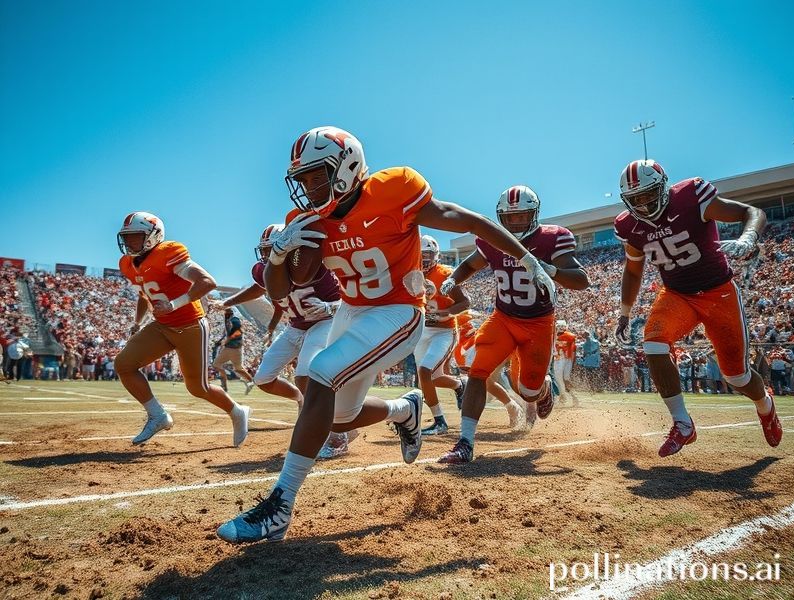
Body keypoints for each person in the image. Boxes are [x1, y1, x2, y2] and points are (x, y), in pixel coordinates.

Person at [217, 126, 546, 543]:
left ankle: (281, 503)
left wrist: (526, 257)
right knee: (337, 416)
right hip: (353, 311)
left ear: (347, 166)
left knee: (319, 372)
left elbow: (466, 219)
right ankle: (403, 411)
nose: (308, 187)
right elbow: (282, 291)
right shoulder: (307, 220)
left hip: (398, 311)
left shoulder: (394, 190)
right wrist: (278, 257)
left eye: (316, 175)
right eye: (302, 179)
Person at [614, 159, 781, 457]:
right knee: (652, 342)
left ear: (663, 186)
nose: (643, 202)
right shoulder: (629, 225)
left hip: (718, 292)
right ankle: (682, 424)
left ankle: (765, 406)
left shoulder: (691, 196)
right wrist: (625, 312)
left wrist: (747, 237)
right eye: (635, 199)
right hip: (678, 294)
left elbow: (751, 212)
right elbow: (633, 269)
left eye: (648, 194)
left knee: (737, 377)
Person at [437, 185, 590, 464]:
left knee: (527, 389)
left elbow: (581, 279)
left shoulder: (552, 239)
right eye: (510, 218)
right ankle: (465, 442)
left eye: (522, 216)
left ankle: (541, 389)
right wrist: (453, 279)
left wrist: (549, 269)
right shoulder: (493, 240)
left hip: (539, 322)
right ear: (501, 218)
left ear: (534, 215)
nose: (516, 222)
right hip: (503, 317)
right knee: (478, 371)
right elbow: (470, 266)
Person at [214, 225, 354, 459]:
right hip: (296, 327)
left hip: (323, 322)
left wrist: (330, 306)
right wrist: (228, 302)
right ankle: (302, 400)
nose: (269, 257)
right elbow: (257, 289)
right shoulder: (264, 271)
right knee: (263, 378)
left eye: (274, 250)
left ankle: (338, 434)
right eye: (266, 251)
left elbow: (350, 300)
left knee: (306, 376)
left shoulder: (317, 269)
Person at [115, 212, 251, 447]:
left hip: (190, 324)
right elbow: (143, 293)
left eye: (135, 237)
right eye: (127, 237)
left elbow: (207, 282)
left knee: (198, 388)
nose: (129, 243)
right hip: (163, 325)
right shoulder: (127, 264)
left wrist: (174, 304)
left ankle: (237, 411)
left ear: (152, 236)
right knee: (124, 365)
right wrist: (137, 322)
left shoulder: (168, 253)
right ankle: (158, 415)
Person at [416, 235, 469, 435]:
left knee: (424, 371)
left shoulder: (446, 274)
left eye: (427, 254)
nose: (424, 259)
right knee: (432, 379)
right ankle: (458, 384)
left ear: (436, 255)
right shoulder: (410, 274)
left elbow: (465, 303)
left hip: (444, 331)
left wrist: (445, 313)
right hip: (423, 331)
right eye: (420, 255)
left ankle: (440, 422)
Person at [211, 308, 256, 394]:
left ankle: (250, 381)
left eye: (226, 312)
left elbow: (239, 331)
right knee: (217, 365)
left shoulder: (234, 319)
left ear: (229, 312)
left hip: (234, 348)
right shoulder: (228, 320)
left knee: (237, 369)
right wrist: (221, 341)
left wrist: (227, 340)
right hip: (229, 348)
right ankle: (224, 386)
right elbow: (228, 333)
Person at [553, 319, 579, 406]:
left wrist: (573, 361)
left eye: (561, 327)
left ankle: (572, 396)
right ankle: (562, 396)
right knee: (558, 379)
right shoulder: (553, 336)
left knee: (565, 378)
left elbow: (573, 350)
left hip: (566, 360)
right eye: (558, 327)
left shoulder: (569, 336)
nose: (560, 328)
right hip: (557, 360)